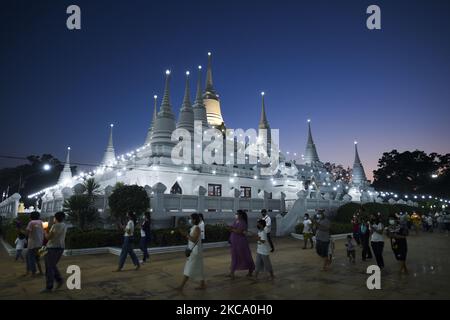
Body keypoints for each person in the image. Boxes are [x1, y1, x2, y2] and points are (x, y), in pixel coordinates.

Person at [177, 213, 206, 291]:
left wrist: (187, 235)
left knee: (188, 268)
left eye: (190, 218)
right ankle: (202, 284)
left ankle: (181, 286)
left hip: (194, 251)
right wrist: (182, 231)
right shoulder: (194, 227)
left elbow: (194, 239)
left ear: (194, 220)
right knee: (199, 267)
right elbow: (189, 236)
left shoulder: (197, 228)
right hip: (194, 250)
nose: (189, 220)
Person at [41, 211, 67, 293]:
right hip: (60, 247)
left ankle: (49, 287)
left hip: (52, 248)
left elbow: (48, 238)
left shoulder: (55, 225)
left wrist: (45, 230)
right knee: (52, 266)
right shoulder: (64, 225)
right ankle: (59, 280)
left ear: (55, 218)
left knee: (49, 268)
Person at [228, 210, 255, 279]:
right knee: (234, 256)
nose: (236, 215)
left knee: (244, 255)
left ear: (241, 215)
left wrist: (232, 229)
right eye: (236, 213)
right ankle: (232, 272)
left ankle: (251, 269)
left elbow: (239, 231)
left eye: (237, 214)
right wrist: (231, 228)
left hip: (240, 242)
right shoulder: (236, 221)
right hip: (234, 242)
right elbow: (233, 228)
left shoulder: (243, 222)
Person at [25, 211, 44, 276]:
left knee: (30, 258)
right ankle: (41, 272)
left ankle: (33, 273)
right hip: (40, 244)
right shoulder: (41, 222)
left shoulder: (31, 222)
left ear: (31, 216)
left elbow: (27, 233)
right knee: (37, 258)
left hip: (32, 244)